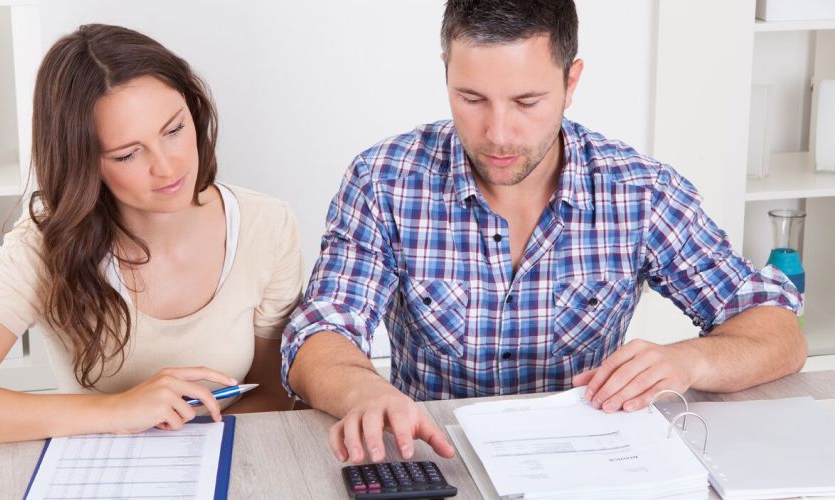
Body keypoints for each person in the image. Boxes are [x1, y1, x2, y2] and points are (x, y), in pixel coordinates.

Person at [282, 0, 805, 465]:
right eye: (471, 98)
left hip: (591, 467)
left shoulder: (639, 190)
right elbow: (319, 334)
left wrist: (688, 360)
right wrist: (363, 392)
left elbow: (777, 332)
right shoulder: (385, 180)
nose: (498, 133)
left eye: (527, 102)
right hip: (439, 462)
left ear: (571, 82)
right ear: (446, 72)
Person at [0, 24, 303, 443]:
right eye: (127, 153)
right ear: (84, 164)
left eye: (174, 130)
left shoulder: (266, 225)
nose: (168, 167)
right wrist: (118, 409)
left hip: (225, 460)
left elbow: (274, 392)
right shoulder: (46, 245)